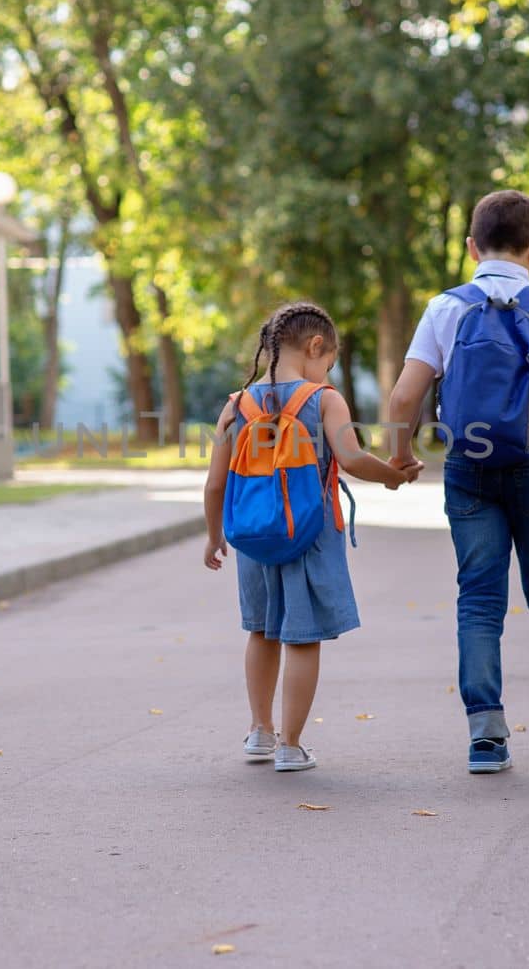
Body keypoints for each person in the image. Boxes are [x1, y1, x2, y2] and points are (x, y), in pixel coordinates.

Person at [386, 190, 529, 774]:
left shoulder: (444, 309)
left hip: (468, 466)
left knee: (479, 599)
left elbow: (406, 394)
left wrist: (399, 456)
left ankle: (486, 735)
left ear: (470, 248)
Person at [203, 301, 422, 772]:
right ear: (316, 346)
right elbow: (352, 457)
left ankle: (260, 732)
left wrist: (212, 535)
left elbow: (216, 482)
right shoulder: (323, 399)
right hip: (310, 532)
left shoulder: (236, 404)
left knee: (260, 630)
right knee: (301, 637)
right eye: (330, 362)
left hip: (254, 536)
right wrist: (393, 476)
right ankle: (291, 745)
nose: (327, 372)